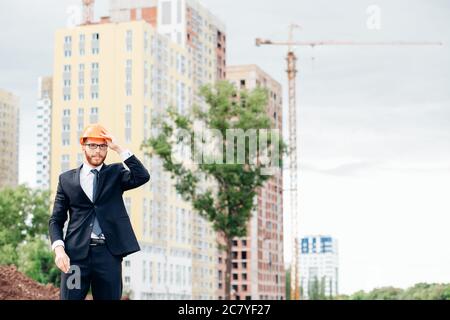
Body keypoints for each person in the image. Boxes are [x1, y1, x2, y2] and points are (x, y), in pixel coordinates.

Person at [48, 124, 150, 300]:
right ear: (83, 146)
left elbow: (142, 176)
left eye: (102, 146)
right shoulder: (66, 180)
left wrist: (119, 148)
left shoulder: (115, 173)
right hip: (76, 258)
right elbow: (56, 220)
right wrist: (59, 250)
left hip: (108, 255)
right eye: (92, 146)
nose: (98, 151)